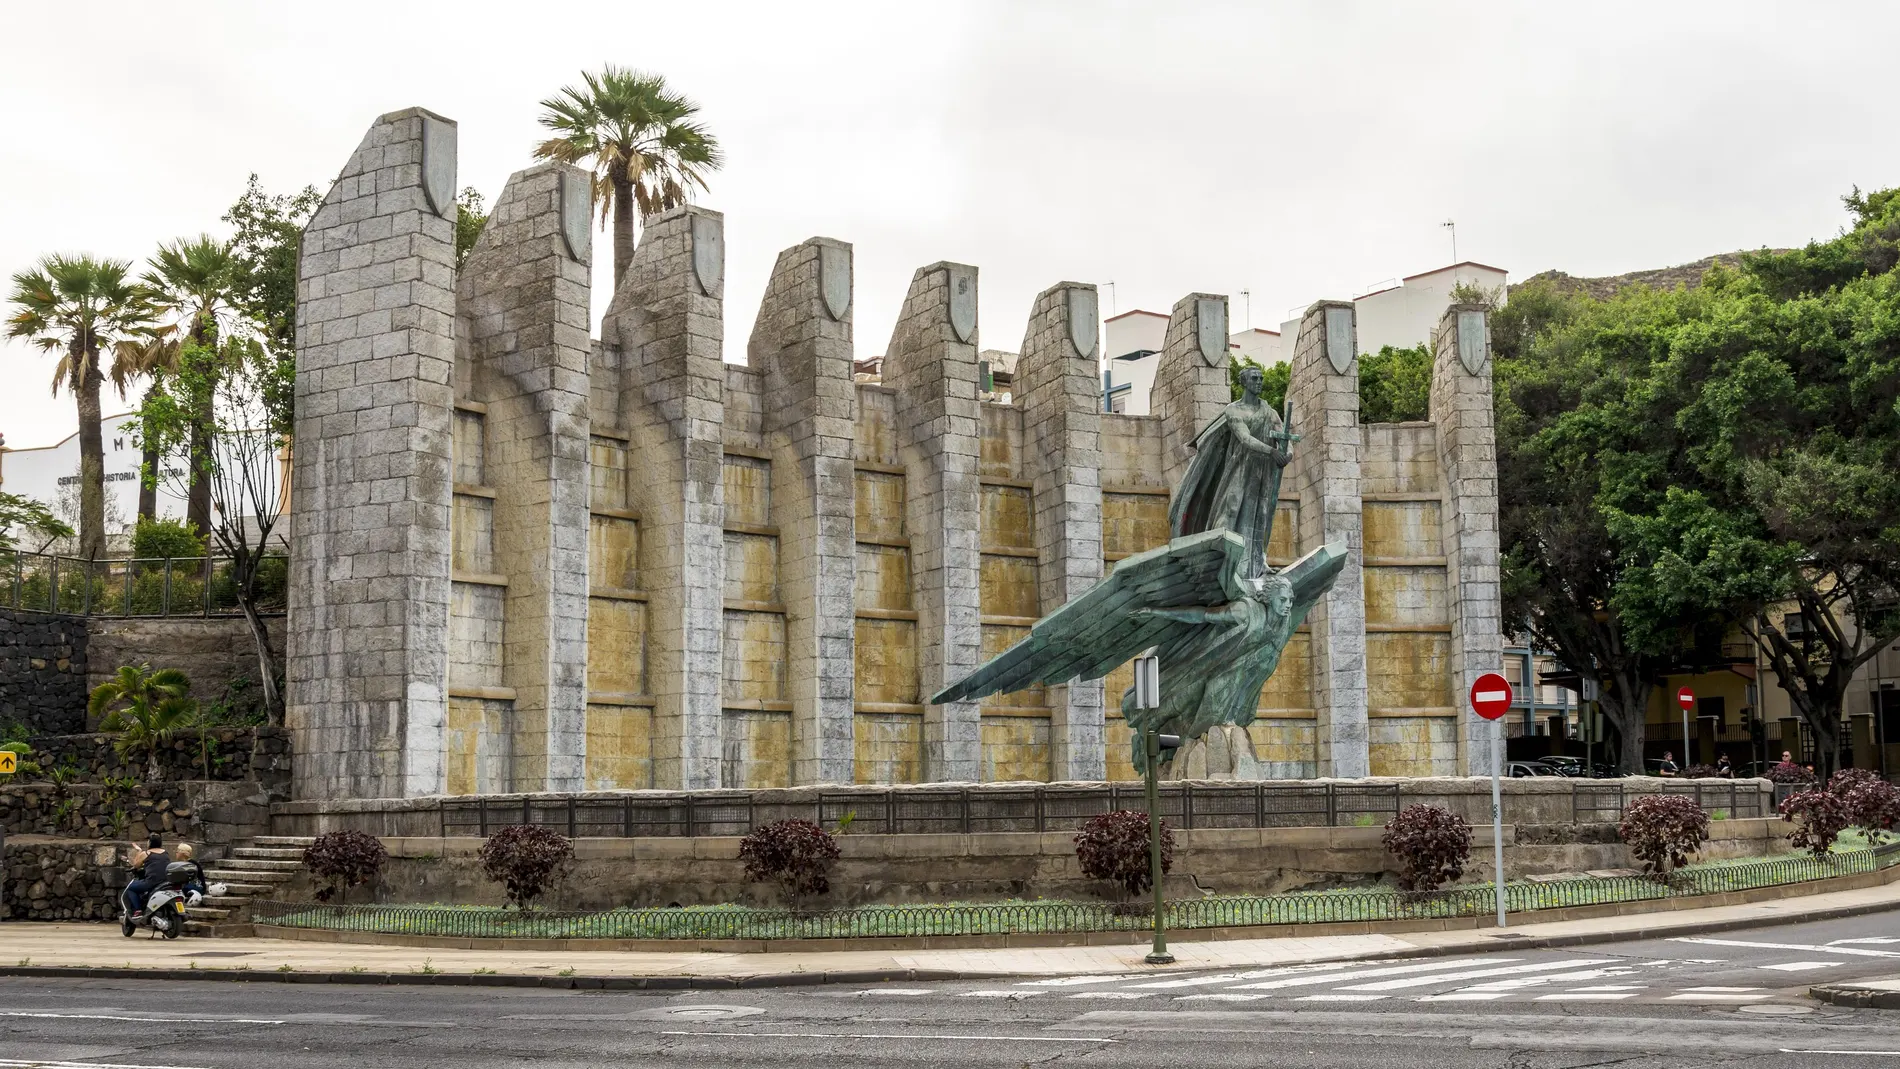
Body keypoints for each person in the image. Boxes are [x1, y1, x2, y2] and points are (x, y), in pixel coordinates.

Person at [122, 834, 169, 917]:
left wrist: (139, 850)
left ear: (150, 842)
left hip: (152, 882)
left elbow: (136, 865)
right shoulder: (165, 853)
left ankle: (138, 910)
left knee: (131, 888)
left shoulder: (146, 853)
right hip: (166, 881)